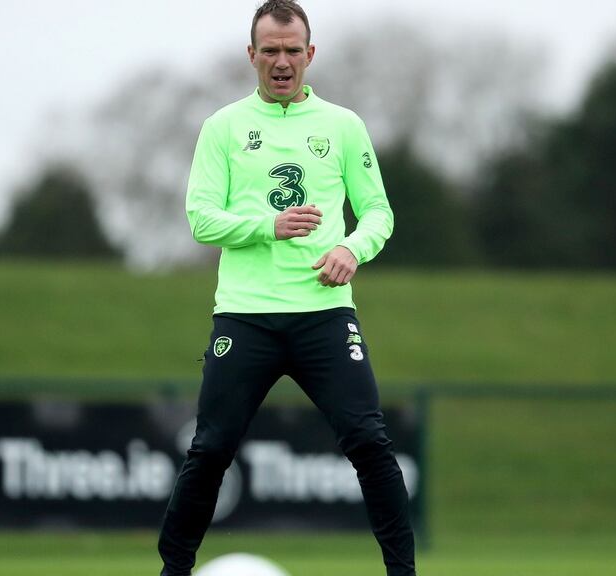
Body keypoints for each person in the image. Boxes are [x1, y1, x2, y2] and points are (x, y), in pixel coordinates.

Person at [157, 1, 417, 575]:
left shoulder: (342, 126)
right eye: (270, 51)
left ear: (310, 54)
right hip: (245, 316)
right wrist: (267, 226)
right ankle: (173, 571)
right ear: (251, 55)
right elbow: (201, 219)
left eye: (292, 50)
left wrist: (351, 249)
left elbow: (378, 212)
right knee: (210, 449)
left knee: (369, 442)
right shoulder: (223, 127)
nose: (281, 61)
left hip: (324, 314)